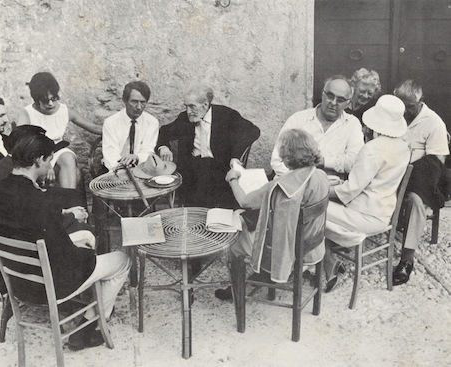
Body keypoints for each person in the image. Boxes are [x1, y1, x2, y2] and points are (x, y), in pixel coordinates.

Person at [0, 131, 130, 351]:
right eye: (48, 160)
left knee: (85, 238)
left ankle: (91, 303)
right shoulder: (41, 201)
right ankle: (89, 325)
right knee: (121, 261)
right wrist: (84, 254)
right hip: (47, 285)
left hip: (13, 281)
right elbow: (63, 255)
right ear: (38, 160)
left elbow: (40, 237)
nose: (49, 166)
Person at [215, 129, 329, 300]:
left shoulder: (279, 186)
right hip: (311, 244)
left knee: (236, 232)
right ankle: (261, 275)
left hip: (288, 252)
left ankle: (236, 290)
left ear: (287, 157)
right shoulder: (320, 174)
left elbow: (245, 201)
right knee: (254, 220)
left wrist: (232, 179)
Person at [324, 95, 411, 292]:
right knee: (315, 207)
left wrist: (321, 189)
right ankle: (324, 261)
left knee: (309, 207)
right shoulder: (403, 146)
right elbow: (370, 183)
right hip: (383, 213)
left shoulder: (372, 149)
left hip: (365, 217)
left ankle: (322, 262)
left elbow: (350, 190)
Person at [0, 125, 95, 250]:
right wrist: (71, 217)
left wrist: (63, 213)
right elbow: (34, 221)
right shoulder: (13, 179)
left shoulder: (9, 171)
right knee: (83, 229)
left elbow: (26, 214)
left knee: (69, 197)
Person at [157, 83, 260, 208]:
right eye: (186, 106)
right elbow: (164, 131)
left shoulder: (226, 115)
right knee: (201, 176)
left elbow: (253, 131)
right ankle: (199, 216)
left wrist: (236, 156)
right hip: (192, 169)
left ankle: (206, 216)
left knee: (208, 175)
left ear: (205, 104)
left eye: (192, 106)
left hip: (219, 168)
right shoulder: (184, 118)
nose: (188, 111)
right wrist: (164, 147)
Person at [392, 80, 450, 285]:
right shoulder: (393, 115)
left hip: (422, 176)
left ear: (420, 101)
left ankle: (407, 257)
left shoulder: (434, 123)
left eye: (410, 106)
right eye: (402, 105)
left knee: (415, 201)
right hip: (392, 171)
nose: (405, 110)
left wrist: (411, 166)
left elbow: (437, 162)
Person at [18, 72, 102, 189]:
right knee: (76, 175)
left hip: (57, 151)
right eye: (45, 100)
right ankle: (69, 203)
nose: (51, 104)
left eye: (54, 98)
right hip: (37, 155)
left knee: (68, 156)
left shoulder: (63, 111)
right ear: (37, 99)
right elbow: (22, 143)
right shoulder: (27, 113)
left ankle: (69, 202)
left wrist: (119, 131)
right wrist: (46, 165)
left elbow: (93, 127)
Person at [271, 75, 364, 179]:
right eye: (330, 96)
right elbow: (277, 159)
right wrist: (301, 181)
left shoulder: (352, 124)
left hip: (329, 188)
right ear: (322, 94)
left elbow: (355, 161)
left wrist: (324, 162)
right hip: (293, 184)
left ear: (348, 103)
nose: (333, 103)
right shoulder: (298, 119)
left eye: (340, 100)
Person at [102, 81, 159, 171]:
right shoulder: (111, 122)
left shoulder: (152, 122)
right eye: (134, 102)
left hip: (141, 168)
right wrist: (122, 169)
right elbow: (110, 154)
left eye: (143, 102)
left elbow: (148, 150)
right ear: (125, 101)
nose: (139, 107)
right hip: (114, 169)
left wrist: (136, 157)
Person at [345, 68, 382, 141]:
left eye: (370, 93)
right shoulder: (343, 104)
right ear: (354, 87)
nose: (365, 96)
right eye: (362, 91)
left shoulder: (373, 109)